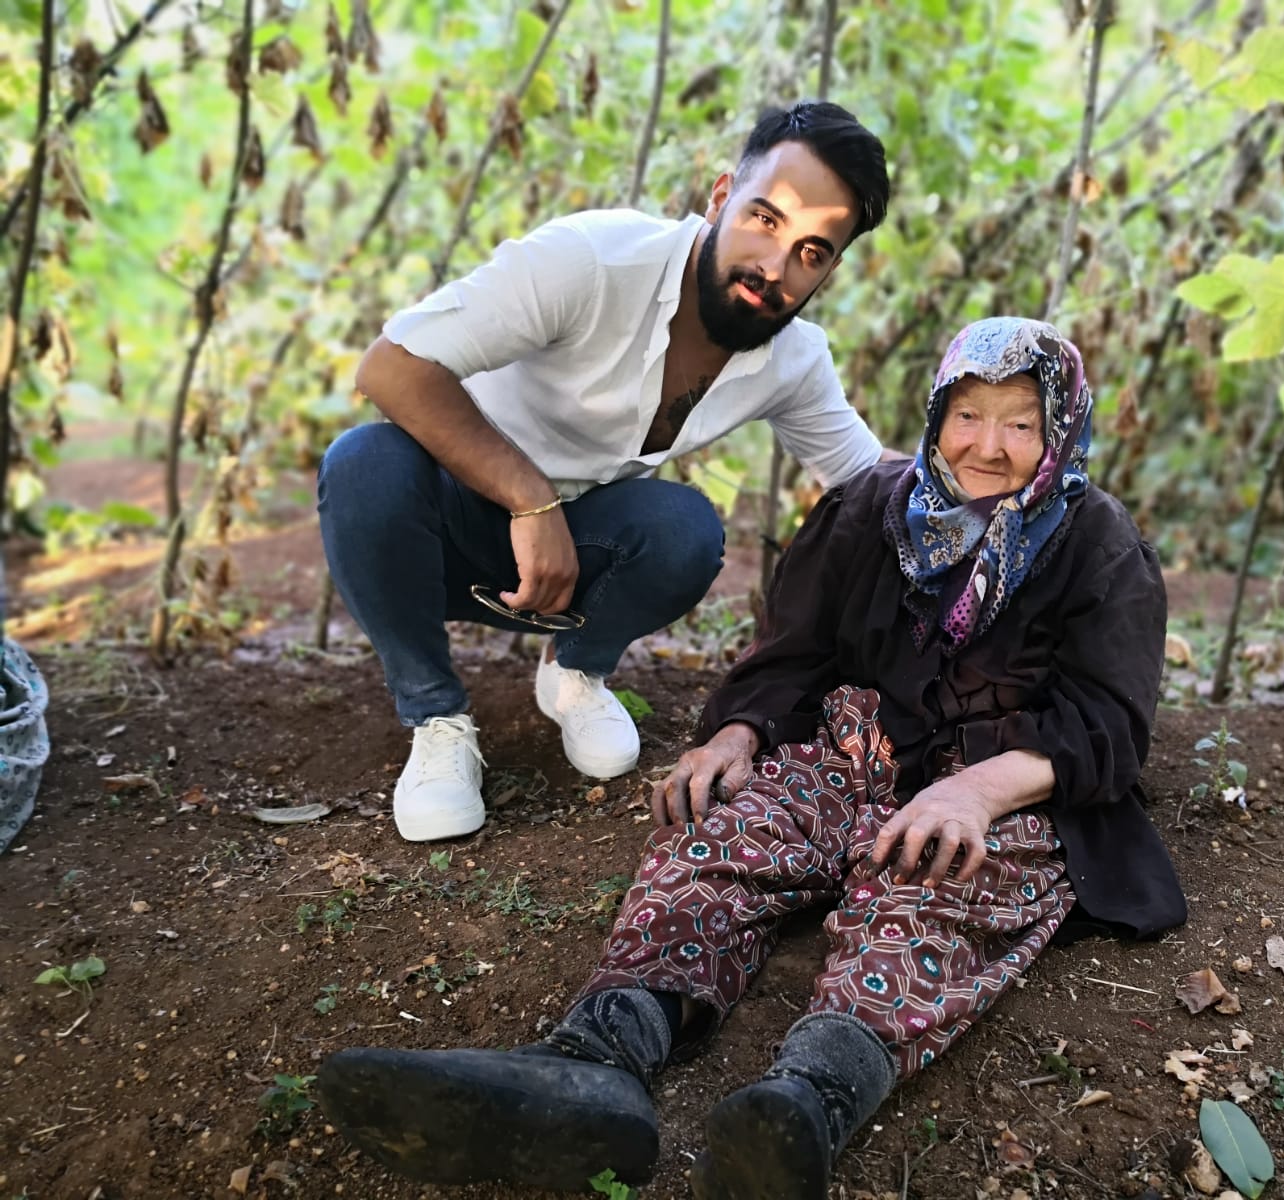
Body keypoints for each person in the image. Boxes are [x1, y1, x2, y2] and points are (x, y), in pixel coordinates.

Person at [315, 317, 1188, 1198]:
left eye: (1021, 423)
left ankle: (806, 1107)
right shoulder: (873, 507)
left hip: (1002, 789)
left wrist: (975, 794)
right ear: (936, 414)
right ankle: (595, 1062)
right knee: (719, 838)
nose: (988, 447)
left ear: (1061, 433)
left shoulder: (1095, 542)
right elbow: (793, 652)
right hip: (849, 750)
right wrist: (736, 732)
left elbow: (1108, 722)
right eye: (969, 414)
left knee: (933, 885)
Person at [317, 100, 894, 842]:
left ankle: (573, 673)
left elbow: (866, 476)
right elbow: (392, 367)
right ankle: (435, 716)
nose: (774, 266)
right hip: (441, 533)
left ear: (830, 269)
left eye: (813, 252)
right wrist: (530, 501)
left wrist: (990, 471)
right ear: (721, 197)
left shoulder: (792, 358)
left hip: (571, 566)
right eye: (765, 219)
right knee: (363, 464)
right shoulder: (592, 260)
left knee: (687, 530)